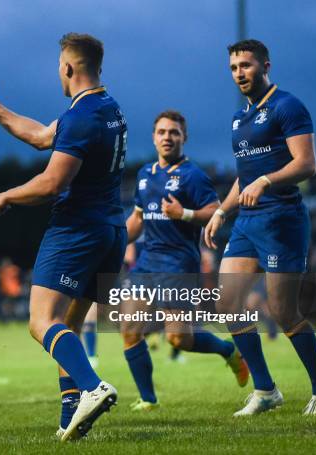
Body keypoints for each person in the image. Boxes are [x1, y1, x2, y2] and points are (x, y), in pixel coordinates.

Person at [0, 32, 126, 441]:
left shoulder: (80, 116)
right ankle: (71, 420)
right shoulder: (107, 108)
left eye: (59, 64)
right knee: (67, 330)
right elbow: (41, 136)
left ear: (69, 68)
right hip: (111, 231)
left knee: (41, 322)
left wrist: (7, 194)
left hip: (77, 229)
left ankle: (93, 388)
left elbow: (52, 183)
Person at [204, 39, 316, 416]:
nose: (239, 74)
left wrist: (266, 181)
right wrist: (221, 211)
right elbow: (242, 177)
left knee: (283, 311)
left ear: (266, 65)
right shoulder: (239, 119)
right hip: (247, 223)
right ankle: (265, 391)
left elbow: (306, 164)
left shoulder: (288, 106)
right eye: (233, 68)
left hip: (283, 220)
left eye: (246, 66)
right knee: (229, 304)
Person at [120, 110, 249, 412]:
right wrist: (113, 242)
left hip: (180, 263)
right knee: (129, 328)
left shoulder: (193, 175)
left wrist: (185, 214)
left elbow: (216, 210)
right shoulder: (144, 175)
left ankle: (229, 351)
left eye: (174, 132)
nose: (167, 137)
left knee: (178, 338)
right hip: (148, 261)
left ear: (184, 138)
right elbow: (137, 220)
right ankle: (149, 399)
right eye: (162, 132)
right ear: (154, 137)